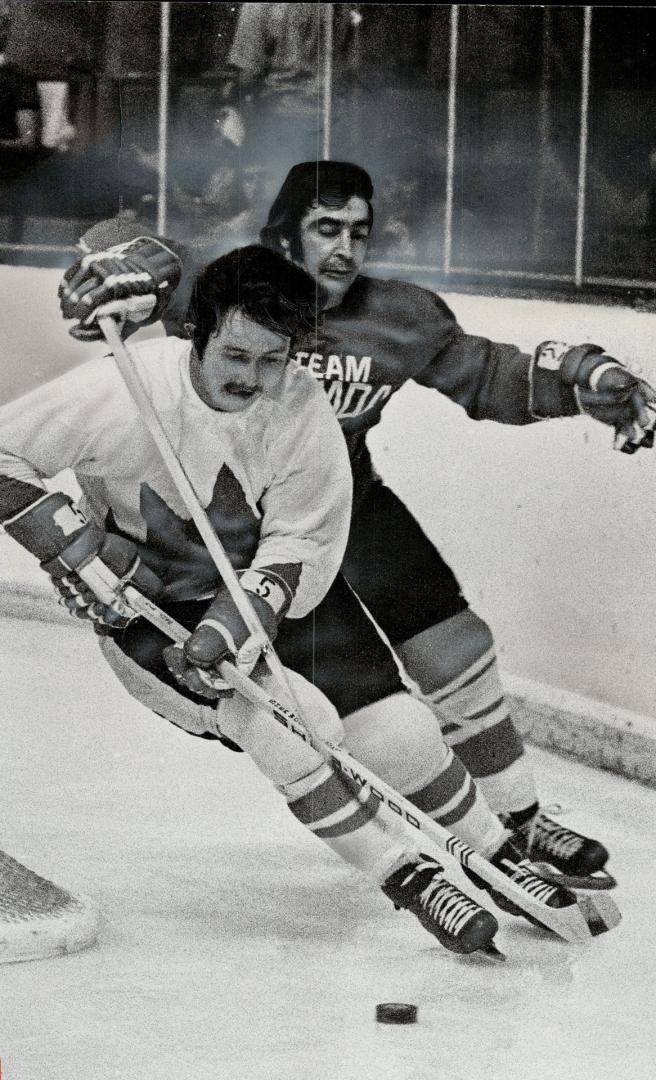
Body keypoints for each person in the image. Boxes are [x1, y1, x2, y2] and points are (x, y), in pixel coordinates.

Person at [56, 164, 653, 889]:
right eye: (326, 230)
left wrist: (586, 383)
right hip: (249, 525)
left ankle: (522, 825)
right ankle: (413, 825)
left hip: (350, 501)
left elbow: (487, 374)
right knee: (329, 700)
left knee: (457, 645)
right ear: (283, 233)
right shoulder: (232, 290)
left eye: (359, 233)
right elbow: (122, 244)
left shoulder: (397, 313)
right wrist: (134, 260)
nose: (344, 250)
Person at [4, 242, 575, 959]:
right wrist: (71, 543)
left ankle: (495, 851)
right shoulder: (121, 389)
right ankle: (410, 875)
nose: (254, 378)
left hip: (272, 594)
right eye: (237, 356)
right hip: (151, 607)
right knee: (287, 725)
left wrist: (236, 619)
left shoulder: (301, 407)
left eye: (274, 360)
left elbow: (301, 543)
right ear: (197, 333)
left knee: (398, 730)